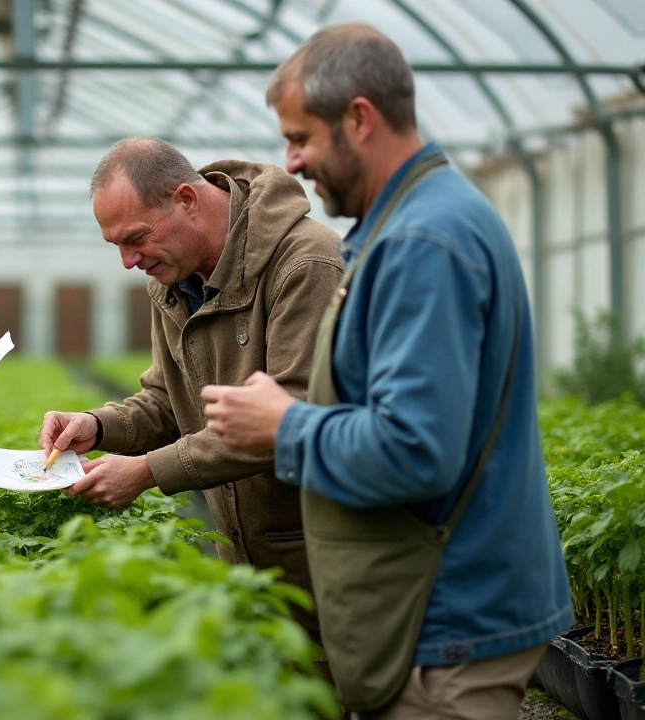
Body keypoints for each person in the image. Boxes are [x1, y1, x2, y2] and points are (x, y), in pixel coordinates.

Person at [202, 24, 572, 719]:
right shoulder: (413, 222)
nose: (291, 163)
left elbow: (414, 450)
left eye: (301, 138)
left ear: (359, 119)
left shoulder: (423, 241)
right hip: (435, 611)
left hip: (444, 623)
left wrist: (284, 425)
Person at [38, 137, 343, 643]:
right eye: (114, 244)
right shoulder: (173, 282)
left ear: (186, 199)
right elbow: (166, 399)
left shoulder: (305, 264)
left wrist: (147, 472)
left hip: (322, 555)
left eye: (135, 237)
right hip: (245, 557)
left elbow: (289, 416)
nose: (128, 261)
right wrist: (96, 426)